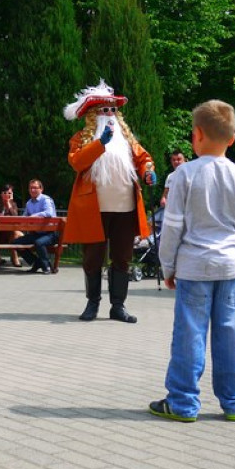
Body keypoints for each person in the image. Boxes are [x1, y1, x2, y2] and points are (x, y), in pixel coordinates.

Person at [149, 100, 235, 422]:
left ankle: (181, 403)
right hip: (231, 266)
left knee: (190, 335)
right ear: (232, 139)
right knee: (229, 334)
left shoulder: (184, 174)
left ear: (196, 135)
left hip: (194, 266)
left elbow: (173, 225)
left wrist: (168, 266)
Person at [63, 80, 156, 323]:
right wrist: (99, 144)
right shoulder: (81, 139)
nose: (111, 114)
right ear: (94, 114)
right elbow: (77, 162)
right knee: (92, 259)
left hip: (125, 208)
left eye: (114, 110)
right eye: (105, 110)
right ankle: (92, 303)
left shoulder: (127, 139)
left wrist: (147, 170)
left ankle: (118, 306)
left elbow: (144, 158)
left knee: (123, 258)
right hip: (94, 209)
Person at [12, 180, 58, 274]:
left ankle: (46, 266)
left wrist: (35, 215)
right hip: (36, 233)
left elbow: (49, 213)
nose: (32, 190)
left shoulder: (46, 199)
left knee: (39, 243)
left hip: (50, 233)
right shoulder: (29, 203)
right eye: (31, 188)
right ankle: (37, 262)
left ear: (41, 189)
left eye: (35, 188)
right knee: (15, 243)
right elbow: (25, 217)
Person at [0, 183, 22, 266]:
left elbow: (15, 217)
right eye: (5, 193)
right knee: (15, 232)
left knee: (14, 232)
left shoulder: (13, 204)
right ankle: (10, 257)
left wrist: (9, 203)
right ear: (1, 193)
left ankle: (14, 257)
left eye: (9, 193)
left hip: (9, 233)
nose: (7, 195)